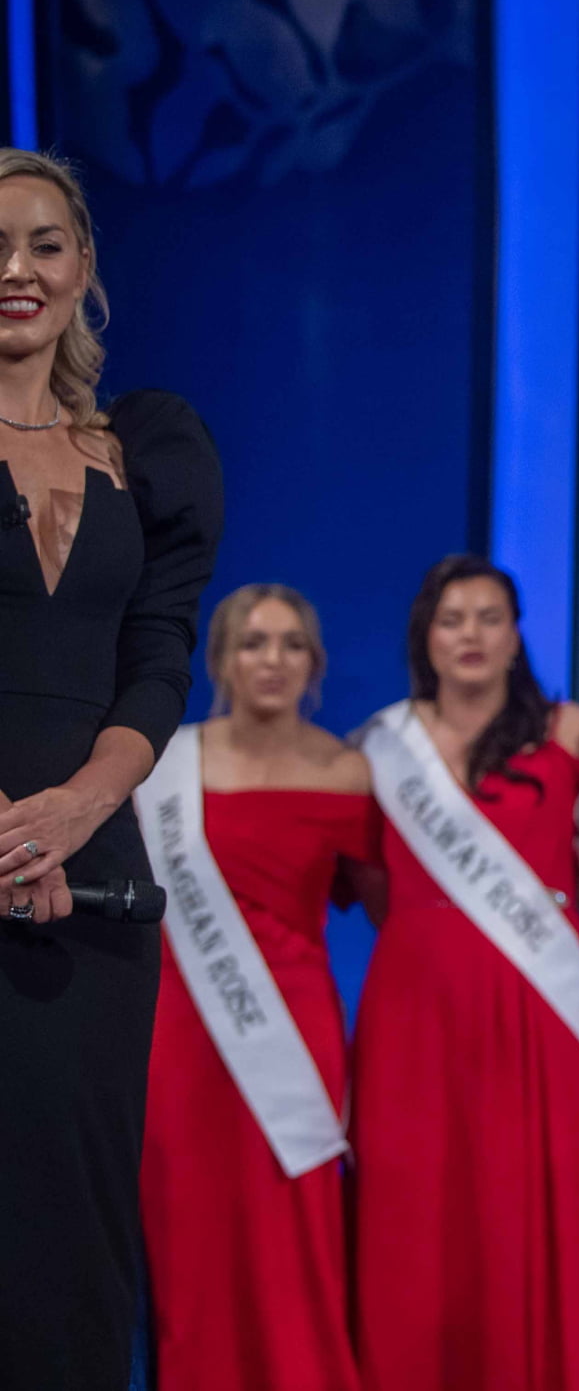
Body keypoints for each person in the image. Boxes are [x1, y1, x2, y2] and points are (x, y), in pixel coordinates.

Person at [0, 149, 221, 1390]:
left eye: (41, 244)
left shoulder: (147, 449)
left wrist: (77, 815)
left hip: (93, 885)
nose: (16, 272)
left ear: (82, 269)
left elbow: (159, 659)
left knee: (73, 1221)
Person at [350, 557, 579, 1391]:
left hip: (540, 1004)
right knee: (412, 1207)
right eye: (452, 618)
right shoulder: (379, 743)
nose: (471, 634)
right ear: (426, 634)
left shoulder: (570, 731)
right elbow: (375, 883)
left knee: (524, 1207)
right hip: (415, 1003)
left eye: (490, 617)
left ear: (516, 634)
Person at [139, 585, 371, 1391]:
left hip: (295, 1027)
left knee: (295, 1225)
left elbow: (386, 898)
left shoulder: (349, 772)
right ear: (221, 659)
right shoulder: (162, 765)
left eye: (291, 644)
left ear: (314, 662)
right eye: (253, 642)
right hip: (181, 1031)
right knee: (189, 1227)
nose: (272, 660)